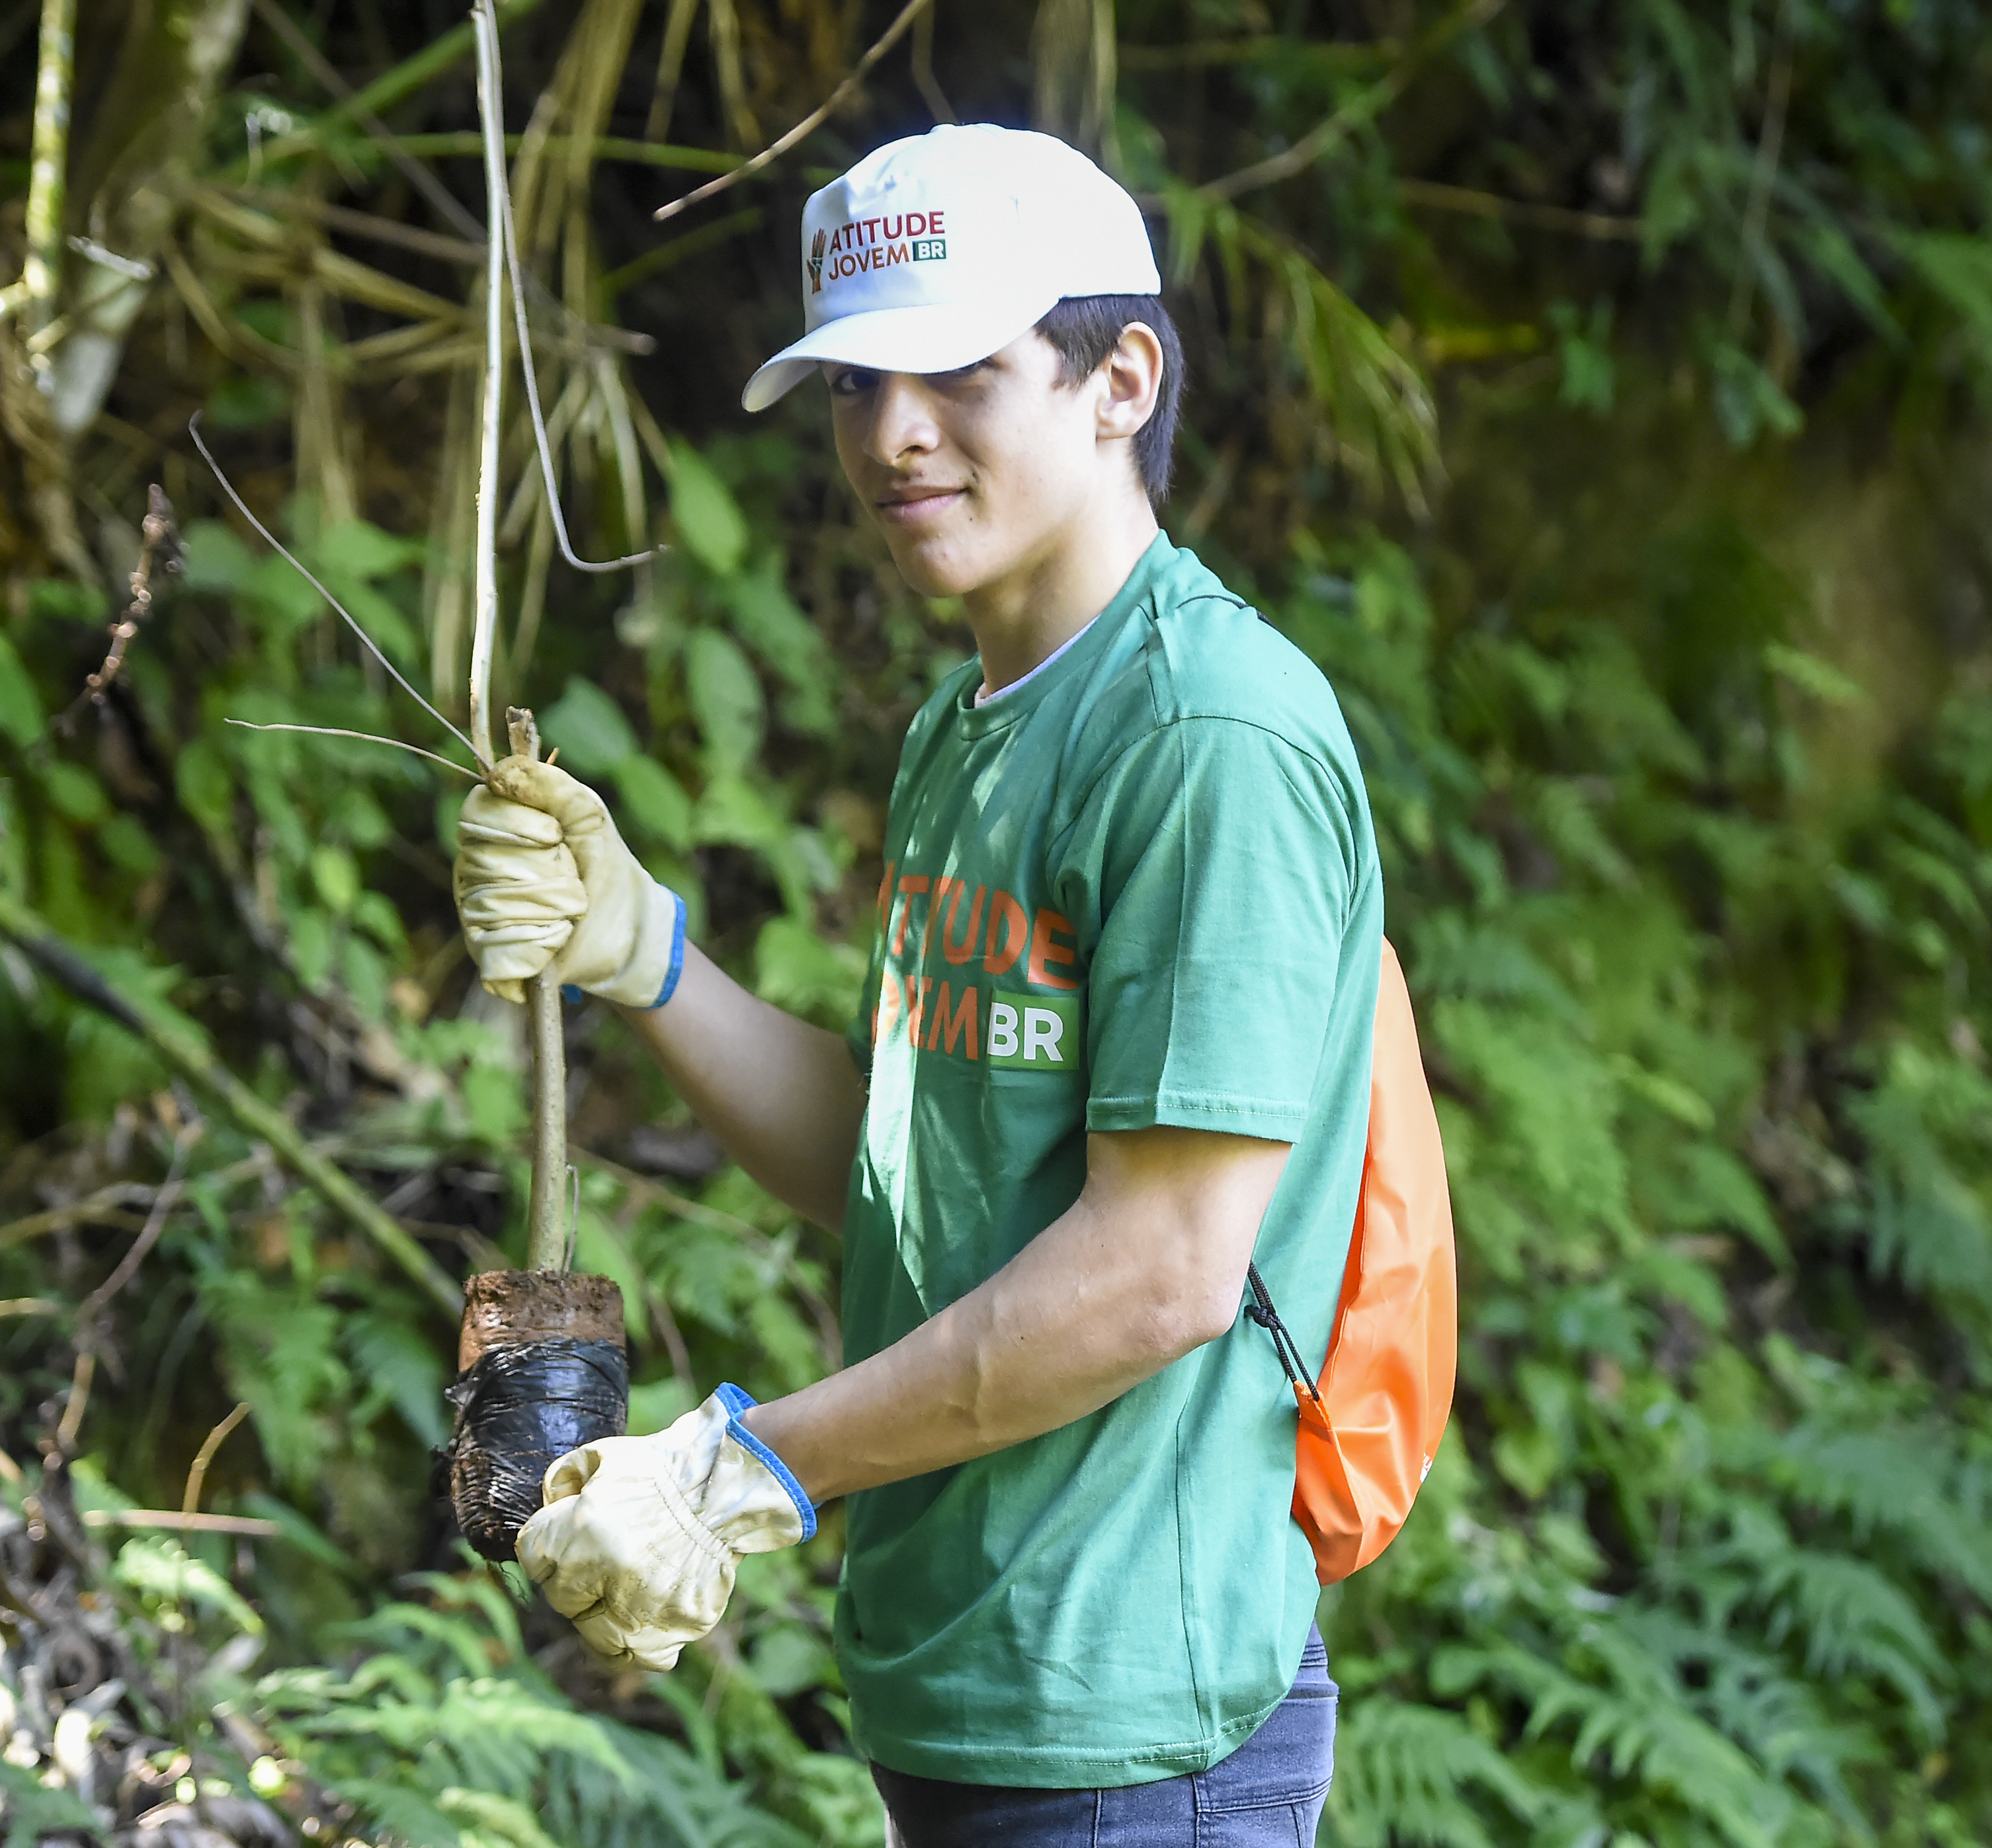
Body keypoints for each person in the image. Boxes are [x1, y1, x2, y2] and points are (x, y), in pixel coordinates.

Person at [452, 123, 1384, 1846]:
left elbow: (1161, 1270)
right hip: (967, 1693)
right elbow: (900, 1162)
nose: (891, 435)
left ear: (1122, 379)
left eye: (958, 368)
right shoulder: (970, 734)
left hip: (1126, 1731)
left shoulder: (1207, 737)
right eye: (855, 383)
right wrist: (643, 948)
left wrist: (743, 1469)